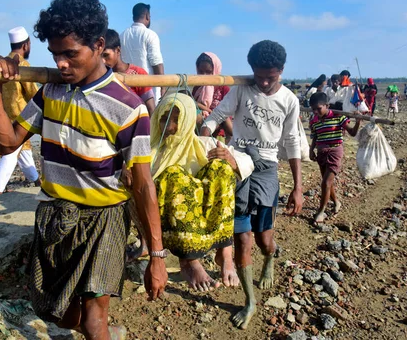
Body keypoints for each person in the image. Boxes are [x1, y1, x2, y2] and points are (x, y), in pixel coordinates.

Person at [0, 0, 167, 339]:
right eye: (55, 55)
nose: (62, 64)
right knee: (60, 313)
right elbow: (8, 142)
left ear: (99, 46)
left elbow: (143, 185)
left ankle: (101, 331)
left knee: (95, 316)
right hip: (56, 214)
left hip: (105, 217)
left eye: (70, 54)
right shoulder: (51, 92)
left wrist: (156, 254)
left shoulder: (127, 108)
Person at [201, 40, 303, 330]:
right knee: (242, 239)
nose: (265, 82)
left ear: (281, 71)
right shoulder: (243, 89)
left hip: (267, 171)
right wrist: (206, 132)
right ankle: (250, 301)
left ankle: (270, 258)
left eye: (271, 76)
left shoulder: (289, 100)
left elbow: (292, 141)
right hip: (236, 166)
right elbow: (217, 116)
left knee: (263, 240)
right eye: (259, 76)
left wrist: (297, 186)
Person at [126, 92, 253, 291]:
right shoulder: (149, 151)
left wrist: (231, 160)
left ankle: (225, 252)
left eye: (177, 119)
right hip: (166, 224)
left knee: (222, 168)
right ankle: (189, 261)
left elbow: (247, 162)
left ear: (188, 121)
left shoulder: (205, 144)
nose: (170, 127)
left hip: (206, 220)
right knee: (174, 176)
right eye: (164, 119)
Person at [0, 26, 40, 193]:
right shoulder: (22, 65)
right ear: (26, 45)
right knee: (12, 151)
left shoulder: (0, 66)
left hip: (1, 114)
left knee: (23, 150)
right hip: (20, 115)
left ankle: (36, 179)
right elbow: (33, 92)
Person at [309, 92, 360, 223]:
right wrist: (311, 150)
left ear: (327, 105)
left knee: (325, 182)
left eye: (318, 108)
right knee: (327, 182)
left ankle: (321, 211)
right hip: (321, 152)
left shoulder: (338, 117)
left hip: (335, 151)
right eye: (313, 109)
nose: (316, 111)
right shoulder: (314, 120)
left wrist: (358, 120)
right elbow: (315, 136)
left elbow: (353, 133)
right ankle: (336, 202)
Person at [102, 29, 155, 116]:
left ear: (118, 51)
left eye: (106, 55)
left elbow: (151, 109)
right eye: (100, 56)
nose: (103, 61)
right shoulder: (101, 77)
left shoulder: (138, 74)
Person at [120, 3, 164, 103]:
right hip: (148, 91)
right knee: (150, 117)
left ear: (133, 17)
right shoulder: (150, 35)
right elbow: (156, 62)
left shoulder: (122, 35)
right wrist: (163, 86)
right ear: (147, 16)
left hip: (127, 89)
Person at [192, 52, 233, 141]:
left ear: (215, 70)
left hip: (218, 132)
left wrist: (212, 114)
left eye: (209, 72)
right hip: (199, 129)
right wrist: (206, 110)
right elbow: (193, 104)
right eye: (201, 72)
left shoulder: (224, 89)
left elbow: (227, 115)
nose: (204, 76)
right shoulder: (197, 87)